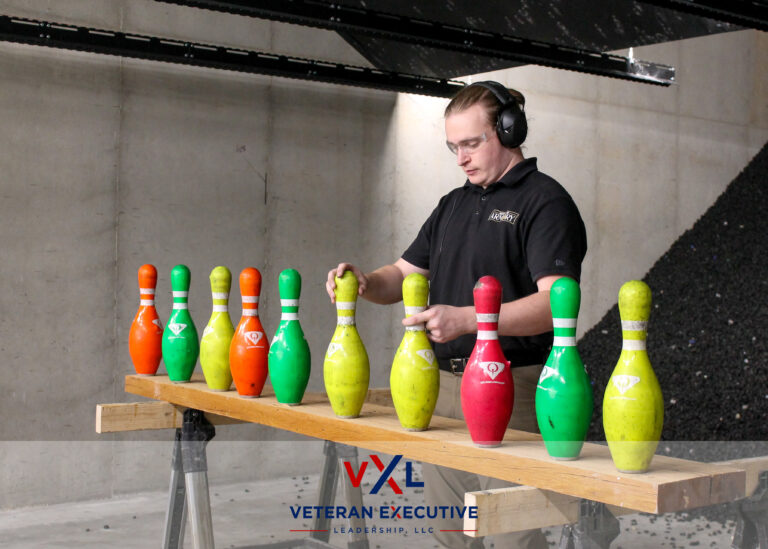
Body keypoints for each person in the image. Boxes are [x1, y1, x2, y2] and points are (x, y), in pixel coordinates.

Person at [326, 80, 587, 548]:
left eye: (472, 143)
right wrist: (364, 281)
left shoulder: (545, 203)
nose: (462, 158)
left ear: (509, 131)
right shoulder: (452, 204)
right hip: (442, 389)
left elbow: (555, 305)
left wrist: (470, 320)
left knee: (513, 538)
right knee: (450, 536)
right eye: (453, 147)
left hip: (515, 390)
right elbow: (402, 274)